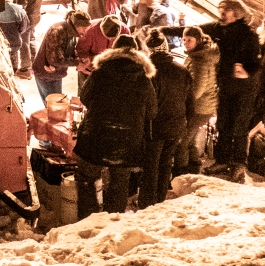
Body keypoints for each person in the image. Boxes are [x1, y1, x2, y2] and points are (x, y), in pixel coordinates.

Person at [163, 0, 260, 181]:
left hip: (243, 89)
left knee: (238, 126)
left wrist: (246, 70)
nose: (221, 13)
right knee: (222, 124)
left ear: (237, 12)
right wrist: (163, 30)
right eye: (220, 9)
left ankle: (238, 163)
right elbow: (191, 30)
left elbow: (256, 63)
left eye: (226, 10)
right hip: (224, 85)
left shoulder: (248, 35)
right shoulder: (217, 28)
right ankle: (222, 159)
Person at [72, 34, 157, 219]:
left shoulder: (100, 72)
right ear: (135, 52)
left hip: (96, 134)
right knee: (119, 182)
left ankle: (87, 219)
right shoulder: (143, 77)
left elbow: (85, 97)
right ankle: (113, 220)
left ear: (113, 50)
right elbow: (152, 111)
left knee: (86, 178)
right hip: (128, 140)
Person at [138, 31, 194, 209]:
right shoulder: (182, 70)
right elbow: (190, 103)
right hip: (176, 125)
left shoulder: (149, 73)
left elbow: (145, 104)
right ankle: (160, 199)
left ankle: (147, 203)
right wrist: (184, 124)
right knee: (165, 164)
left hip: (155, 127)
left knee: (151, 166)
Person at [173, 26, 220, 176]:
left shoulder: (200, 60)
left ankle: (181, 175)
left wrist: (181, 101)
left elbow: (197, 89)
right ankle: (194, 166)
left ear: (198, 40)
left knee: (181, 142)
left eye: (190, 40)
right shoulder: (198, 55)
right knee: (190, 140)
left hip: (199, 108)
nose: (186, 43)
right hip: (202, 107)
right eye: (184, 39)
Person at [32, 9, 91, 102]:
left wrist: (79, 61)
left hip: (56, 73)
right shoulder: (57, 31)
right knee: (52, 105)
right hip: (45, 74)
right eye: (84, 28)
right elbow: (55, 59)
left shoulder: (71, 32)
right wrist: (76, 63)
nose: (85, 31)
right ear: (77, 25)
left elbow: (71, 50)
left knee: (58, 102)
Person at [75, 15, 128, 96]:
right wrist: (87, 62)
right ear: (101, 28)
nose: (110, 40)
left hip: (111, 71)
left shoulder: (125, 30)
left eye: (113, 38)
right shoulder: (89, 30)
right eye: (107, 36)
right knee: (84, 94)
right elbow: (81, 51)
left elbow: (127, 51)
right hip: (89, 69)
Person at [14, 0, 46, 75]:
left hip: (26, 18)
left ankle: (25, 68)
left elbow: (20, 7)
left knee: (23, 43)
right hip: (36, 15)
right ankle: (35, 63)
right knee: (31, 39)